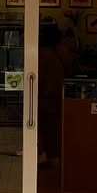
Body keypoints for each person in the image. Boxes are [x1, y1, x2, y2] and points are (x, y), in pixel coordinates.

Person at [38, 23, 65, 165]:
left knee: (45, 126)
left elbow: (40, 75)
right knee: (51, 127)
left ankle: (44, 153)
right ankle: (52, 154)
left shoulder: (42, 53)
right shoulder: (58, 53)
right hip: (55, 95)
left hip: (44, 95)